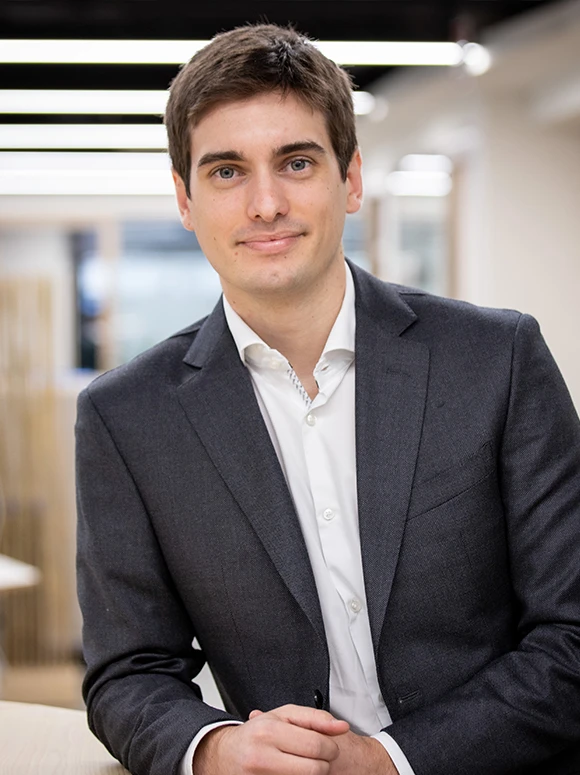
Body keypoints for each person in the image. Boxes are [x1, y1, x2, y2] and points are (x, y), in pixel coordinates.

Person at [75, 23, 580, 775]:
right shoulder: (127, 418)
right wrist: (215, 747)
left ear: (350, 179)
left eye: (297, 161)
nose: (266, 202)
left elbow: (570, 635)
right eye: (226, 172)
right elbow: (129, 671)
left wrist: (391, 760)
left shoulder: (497, 362)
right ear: (184, 199)